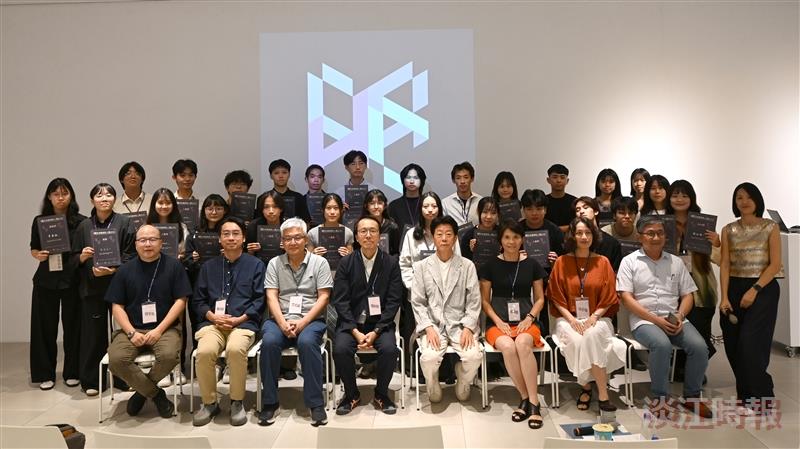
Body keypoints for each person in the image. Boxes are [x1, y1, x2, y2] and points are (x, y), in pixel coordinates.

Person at [616, 215, 712, 419]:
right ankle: (660, 398)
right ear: (640, 237)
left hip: (674, 318)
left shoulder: (675, 262)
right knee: (662, 345)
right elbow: (626, 298)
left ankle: (692, 397)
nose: (656, 237)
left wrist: (679, 315)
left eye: (660, 233)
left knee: (700, 347)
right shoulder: (629, 262)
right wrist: (656, 320)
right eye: (650, 233)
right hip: (643, 321)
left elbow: (688, 295)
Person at [105, 225, 190, 418]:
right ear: (135, 245)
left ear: (161, 243)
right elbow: (116, 306)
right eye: (142, 240)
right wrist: (131, 332)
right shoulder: (125, 270)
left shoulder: (174, 266)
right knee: (117, 359)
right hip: (132, 328)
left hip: (165, 328)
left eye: (152, 239)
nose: (148, 244)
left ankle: (140, 393)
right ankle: (155, 394)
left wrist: (159, 330)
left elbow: (181, 301)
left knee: (169, 356)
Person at [258, 218, 333, 427]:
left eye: (297, 237)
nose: (293, 242)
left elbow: (324, 297)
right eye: (288, 238)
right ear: (282, 241)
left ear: (305, 239)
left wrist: (302, 323)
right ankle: (270, 403)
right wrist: (282, 323)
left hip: (311, 320)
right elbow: (271, 297)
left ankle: (315, 403)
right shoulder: (274, 263)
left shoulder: (320, 263)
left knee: (307, 343)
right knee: (270, 342)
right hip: (280, 318)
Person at [192, 217, 266, 426]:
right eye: (226, 234)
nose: (231, 238)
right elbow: (198, 301)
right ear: (219, 239)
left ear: (243, 238)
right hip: (212, 324)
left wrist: (238, 319)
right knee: (205, 352)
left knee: (235, 350)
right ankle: (209, 403)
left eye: (236, 233)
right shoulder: (208, 267)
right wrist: (213, 317)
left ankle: (236, 401)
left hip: (243, 324)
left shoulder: (256, 265)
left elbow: (260, 299)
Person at [548, 217, 625, 413]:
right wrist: (572, 320)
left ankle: (597, 391)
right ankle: (590, 388)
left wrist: (594, 317)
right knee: (579, 340)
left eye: (588, 233)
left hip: (599, 317)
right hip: (568, 318)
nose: (584, 237)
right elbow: (555, 296)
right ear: (572, 236)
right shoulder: (561, 262)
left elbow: (609, 297)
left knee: (590, 335)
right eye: (579, 232)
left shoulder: (603, 262)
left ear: (594, 235)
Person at [719, 182, 783, 415]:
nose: (744, 202)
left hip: (763, 288)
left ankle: (763, 397)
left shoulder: (770, 227)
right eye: (739, 198)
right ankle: (745, 396)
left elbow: (775, 264)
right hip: (734, 287)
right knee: (734, 346)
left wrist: (754, 289)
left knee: (751, 345)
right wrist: (724, 297)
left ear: (757, 200)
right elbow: (725, 263)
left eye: (748, 197)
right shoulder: (728, 229)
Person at [332, 216, 403, 415]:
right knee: (340, 348)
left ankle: (381, 394)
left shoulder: (390, 263)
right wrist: (354, 331)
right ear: (356, 236)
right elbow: (340, 300)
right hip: (351, 324)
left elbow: (393, 300)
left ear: (380, 235)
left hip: (380, 323)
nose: (368, 235)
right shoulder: (346, 262)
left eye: (373, 230)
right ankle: (352, 394)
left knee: (389, 349)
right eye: (363, 231)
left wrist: (377, 331)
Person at [479, 220, 546, 428]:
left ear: (522, 239)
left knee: (522, 344)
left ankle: (533, 403)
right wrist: (498, 321)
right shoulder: (490, 266)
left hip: (527, 321)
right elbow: (485, 302)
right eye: (507, 237)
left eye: (516, 237)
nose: (511, 241)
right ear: (500, 240)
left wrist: (530, 317)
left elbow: (540, 298)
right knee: (508, 346)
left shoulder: (532, 265)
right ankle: (525, 397)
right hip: (498, 323)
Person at [71, 183, 136, 396]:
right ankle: (92, 380)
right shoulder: (83, 227)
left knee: (121, 333)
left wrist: (113, 270)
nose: (104, 198)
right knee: (93, 334)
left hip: (119, 286)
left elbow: (131, 255)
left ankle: (123, 377)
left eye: (109, 194)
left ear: (114, 199)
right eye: (99, 195)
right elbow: (73, 258)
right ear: (92, 201)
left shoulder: (124, 223)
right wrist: (84, 257)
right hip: (92, 287)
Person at [412, 216, 482, 403]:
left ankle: (463, 378)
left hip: (460, 325)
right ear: (432, 237)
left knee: (474, 357)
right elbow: (417, 301)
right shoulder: (421, 267)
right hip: (433, 325)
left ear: (455, 238)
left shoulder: (467, 266)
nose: (444, 238)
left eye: (448, 234)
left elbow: (474, 300)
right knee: (428, 359)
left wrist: (468, 327)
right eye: (439, 234)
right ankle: (432, 380)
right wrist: (427, 327)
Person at [29, 178, 87, 390]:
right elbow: (34, 248)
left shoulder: (82, 222)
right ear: (49, 197)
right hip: (46, 280)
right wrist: (38, 255)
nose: (60, 197)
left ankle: (73, 371)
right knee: (44, 327)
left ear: (71, 195)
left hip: (72, 279)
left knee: (73, 326)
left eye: (65, 193)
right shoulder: (40, 221)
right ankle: (45, 373)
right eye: (56, 194)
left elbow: (84, 250)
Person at [399, 192, 462, 375]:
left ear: (439, 208)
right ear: (420, 209)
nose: (430, 210)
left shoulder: (448, 233)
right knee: (422, 336)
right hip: (418, 297)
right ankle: (419, 375)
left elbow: (457, 261)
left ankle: (446, 374)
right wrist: (415, 287)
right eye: (426, 206)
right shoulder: (412, 234)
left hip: (445, 296)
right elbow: (405, 263)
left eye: (434, 206)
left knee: (443, 335)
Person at [666, 180, 721, 380]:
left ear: (692, 198)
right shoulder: (663, 224)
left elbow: (720, 259)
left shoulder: (702, 224)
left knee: (700, 332)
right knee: (675, 328)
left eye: (684, 195)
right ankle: (679, 368)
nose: (679, 199)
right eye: (675, 195)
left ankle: (696, 370)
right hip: (670, 288)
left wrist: (716, 243)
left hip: (702, 289)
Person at [573, 196, 622, 272]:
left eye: (585, 208)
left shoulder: (611, 243)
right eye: (577, 210)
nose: (581, 211)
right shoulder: (573, 240)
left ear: (596, 211)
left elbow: (615, 272)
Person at [307, 193, 354, 262]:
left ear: (341, 210)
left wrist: (348, 255)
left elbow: (351, 260)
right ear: (323, 210)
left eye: (336, 208)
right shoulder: (312, 233)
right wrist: (313, 255)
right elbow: (307, 259)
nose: (332, 212)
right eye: (328, 208)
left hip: (341, 271)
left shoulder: (348, 232)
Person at [146, 188, 188, 259]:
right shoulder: (146, 227)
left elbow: (185, 250)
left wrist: (182, 256)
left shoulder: (182, 227)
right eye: (160, 203)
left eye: (168, 203)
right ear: (154, 204)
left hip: (174, 266)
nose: (164, 206)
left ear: (173, 205)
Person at [246, 190, 285, 265]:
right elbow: (248, 257)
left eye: (275, 206)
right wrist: (251, 251)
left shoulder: (288, 225)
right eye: (266, 207)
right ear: (262, 210)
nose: (271, 211)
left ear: (281, 209)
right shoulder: (253, 226)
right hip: (260, 265)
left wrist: (289, 249)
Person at [267, 158, 311, 223]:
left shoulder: (299, 197)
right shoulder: (265, 198)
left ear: (289, 174)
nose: (281, 176)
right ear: (271, 176)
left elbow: (306, 222)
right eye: (276, 173)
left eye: (284, 172)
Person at [388, 163, 427, 233]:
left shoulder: (427, 204)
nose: (412, 181)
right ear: (403, 180)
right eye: (408, 177)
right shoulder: (393, 206)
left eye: (416, 178)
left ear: (422, 181)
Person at [442, 161, 482, 227]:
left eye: (466, 177)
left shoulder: (480, 201)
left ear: (472, 179)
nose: (462, 181)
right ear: (453, 180)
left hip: (476, 237)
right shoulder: (445, 203)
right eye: (458, 178)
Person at [362, 189, 401, 255]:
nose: (376, 207)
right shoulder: (360, 226)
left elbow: (396, 252)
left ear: (385, 205)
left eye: (380, 203)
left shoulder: (392, 227)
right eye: (372, 203)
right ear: (366, 206)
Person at [460, 196, 499, 261]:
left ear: (498, 214)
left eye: (493, 213)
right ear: (478, 212)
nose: (489, 216)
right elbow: (465, 263)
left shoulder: (502, 233)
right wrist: (472, 252)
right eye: (485, 212)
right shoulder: (469, 236)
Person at [544, 164, 577, 233]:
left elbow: (578, 223)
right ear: (548, 180)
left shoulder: (575, 201)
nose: (558, 180)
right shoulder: (543, 201)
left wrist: (556, 230)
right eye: (555, 177)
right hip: (547, 239)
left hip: (570, 239)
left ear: (567, 181)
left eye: (562, 177)